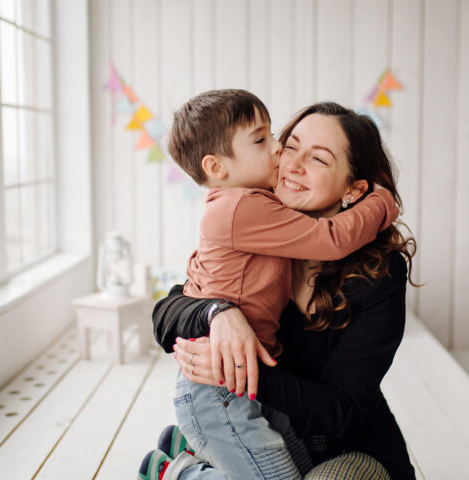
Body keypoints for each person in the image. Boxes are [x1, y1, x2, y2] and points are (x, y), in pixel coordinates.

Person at [138, 90, 398, 480]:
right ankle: (183, 470)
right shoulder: (254, 218)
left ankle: (187, 467)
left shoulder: (379, 274)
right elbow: (170, 310)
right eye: (288, 145)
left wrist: (380, 201)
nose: (286, 159)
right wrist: (217, 313)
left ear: (353, 190)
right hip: (240, 402)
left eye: (318, 158)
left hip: (345, 442)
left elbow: (340, 409)